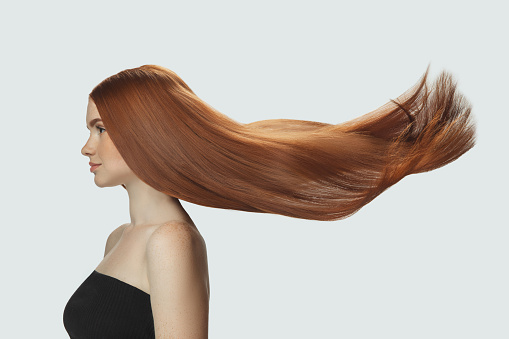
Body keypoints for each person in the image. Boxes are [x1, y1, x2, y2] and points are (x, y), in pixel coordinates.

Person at [63, 64, 476, 338]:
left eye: (100, 129)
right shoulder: (119, 239)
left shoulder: (170, 241)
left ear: (145, 133)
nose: (86, 147)